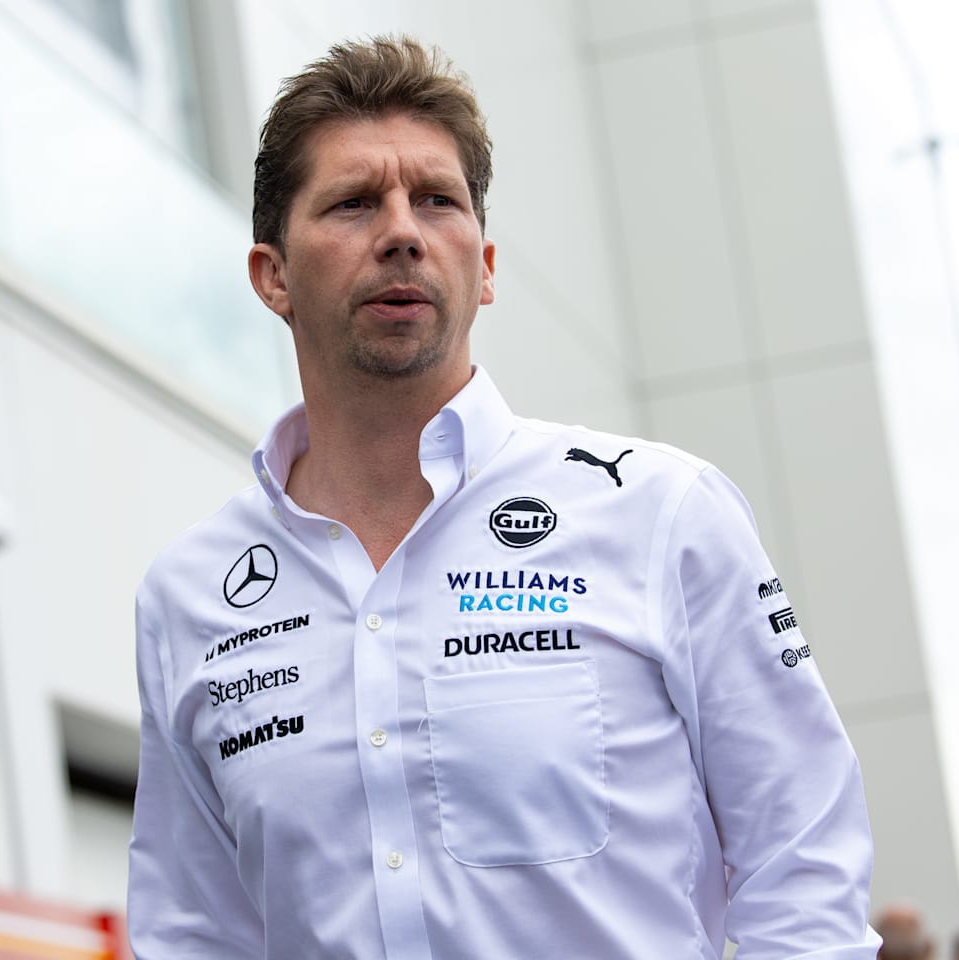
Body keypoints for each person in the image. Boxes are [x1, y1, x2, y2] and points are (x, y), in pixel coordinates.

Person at [128, 35, 881, 958]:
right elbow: (192, 931)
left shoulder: (662, 513)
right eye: (355, 203)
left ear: (483, 266)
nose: (402, 230)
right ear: (272, 275)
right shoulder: (189, 597)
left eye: (435, 200)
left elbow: (802, 857)